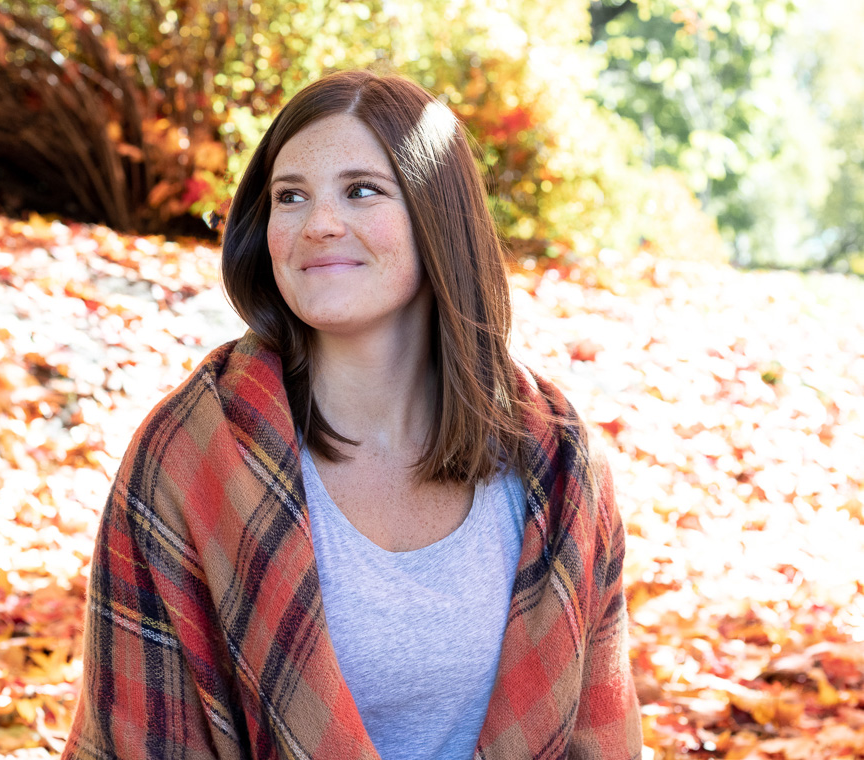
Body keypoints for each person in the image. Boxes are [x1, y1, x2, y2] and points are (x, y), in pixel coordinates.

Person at [62, 70, 642, 760]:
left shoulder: (557, 463)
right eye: (290, 197)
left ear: (438, 214)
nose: (319, 224)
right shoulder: (192, 454)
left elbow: (601, 736)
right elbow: (142, 737)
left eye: (361, 190)